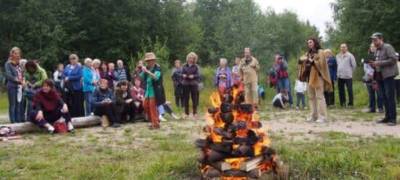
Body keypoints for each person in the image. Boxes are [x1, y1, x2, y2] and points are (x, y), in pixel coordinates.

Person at [299, 38, 332, 123]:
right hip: (309, 77)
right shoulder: (308, 53)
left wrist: (312, 61)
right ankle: (313, 116)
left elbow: (322, 64)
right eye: (308, 42)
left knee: (319, 97)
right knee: (311, 97)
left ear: (315, 42)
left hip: (317, 77)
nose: (309, 44)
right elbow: (301, 62)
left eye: (310, 42)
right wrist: (302, 61)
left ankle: (322, 117)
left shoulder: (320, 52)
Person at [370, 33, 398, 126]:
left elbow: (393, 59)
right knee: (384, 97)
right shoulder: (376, 50)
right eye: (373, 40)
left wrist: (379, 63)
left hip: (388, 75)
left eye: (375, 40)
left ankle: (393, 118)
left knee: (390, 97)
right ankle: (387, 117)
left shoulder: (388, 47)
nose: (374, 42)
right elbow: (377, 62)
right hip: (379, 75)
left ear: (381, 39)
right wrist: (373, 64)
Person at [140, 52, 164, 129]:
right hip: (148, 90)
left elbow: (156, 77)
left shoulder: (157, 68)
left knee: (152, 107)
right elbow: (141, 77)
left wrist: (147, 71)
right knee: (145, 105)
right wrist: (143, 70)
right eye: (148, 60)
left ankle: (155, 124)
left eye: (151, 60)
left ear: (154, 60)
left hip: (155, 90)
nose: (149, 62)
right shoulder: (147, 67)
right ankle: (154, 121)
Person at [4, 47, 25, 123]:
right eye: (15, 53)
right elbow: (8, 75)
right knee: (13, 104)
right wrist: (18, 80)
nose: (17, 55)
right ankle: (13, 121)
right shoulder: (8, 64)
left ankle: (18, 120)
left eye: (18, 53)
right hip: (12, 86)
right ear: (11, 54)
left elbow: (22, 74)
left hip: (19, 87)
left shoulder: (19, 64)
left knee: (19, 104)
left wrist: (23, 81)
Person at [363, 43, 383, 113]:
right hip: (369, 77)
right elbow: (365, 68)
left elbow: (380, 66)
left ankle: (380, 108)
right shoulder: (367, 56)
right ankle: (372, 108)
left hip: (377, 77)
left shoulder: (379, 56)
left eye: (374, 46)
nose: (372, 48)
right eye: (371, 46)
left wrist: (374, 74)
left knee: (379, 93)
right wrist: (370, 74)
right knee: (371, 94)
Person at [182, 52, 201, 119]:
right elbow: (181, 73)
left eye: (192, 58)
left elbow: (198, 75)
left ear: (194, 59)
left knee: (194, 99)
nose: (191, 59)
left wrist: (193, 76)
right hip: (185, 83)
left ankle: (195, 113)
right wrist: (183, 75)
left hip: (193, 84)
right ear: (187, 58)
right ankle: (186, 113)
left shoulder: (196, 66)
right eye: (190, 58)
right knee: (186, 99)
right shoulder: (184, 65)